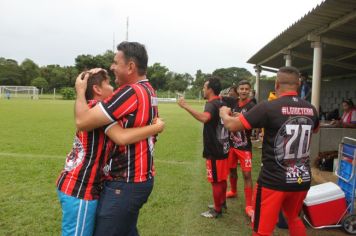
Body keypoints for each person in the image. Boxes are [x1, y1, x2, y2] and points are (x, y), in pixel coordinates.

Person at [56, 70, 164, 236]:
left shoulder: (89, 108)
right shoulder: (96, 110)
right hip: (80, 187)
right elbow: (121, 137)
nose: (113, 86)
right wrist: (155, 128)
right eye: (108, 83)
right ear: (98, 89)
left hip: (82, 186)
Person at [220, 66, 319, 236]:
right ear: (298, 84)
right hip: (301, 178)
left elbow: (232, 125)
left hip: (273, 180)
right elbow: (314, 130)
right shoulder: (311, 109)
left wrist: (223, 113)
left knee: (261, 230)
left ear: (276, 84)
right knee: (293, 218)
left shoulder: (269, 107)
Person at [74, 41, 159, 235]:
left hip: (125, 183)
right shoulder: (149, 90)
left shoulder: (130, 91)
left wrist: (80, 90)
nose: (112, 67)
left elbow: (82, 121)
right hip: (140, 178)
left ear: (130, 66)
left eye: (115, 62)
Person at [178, 77, 235, 218]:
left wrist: (185, 106)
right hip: (224, 147)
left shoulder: (211, 104)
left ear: (210, 89)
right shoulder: (221, 102)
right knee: (221, 179)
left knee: (216, 181)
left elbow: (204, 118)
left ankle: (217, 210)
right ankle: (221, 203)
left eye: (204, 87)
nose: (203, 89)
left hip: (215, 149)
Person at [225, 80, 255, 218]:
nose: (243, 91)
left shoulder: (252, 105)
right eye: (241, 88)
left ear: (250, 90)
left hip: (244, 147)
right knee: (232, 171)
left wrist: (242, 118)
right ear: (237, 90)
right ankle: (234, 191)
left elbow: (254, 124)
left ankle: (249, 205)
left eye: (246, 89)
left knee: (247, 175)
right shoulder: (233, 103)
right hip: (232, 144)